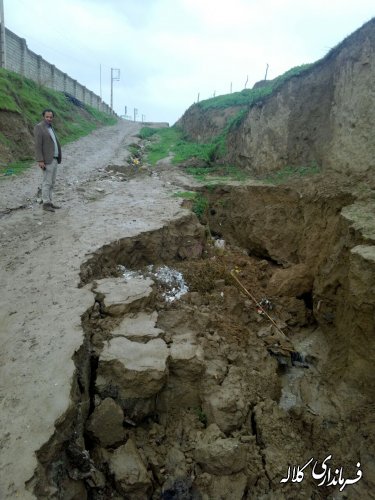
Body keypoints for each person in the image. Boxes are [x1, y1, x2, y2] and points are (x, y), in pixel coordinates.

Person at [34, 109, 62, 212]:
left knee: (52, 182)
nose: (49, 119)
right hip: (46, 160)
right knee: (47, 182)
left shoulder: (50, 127)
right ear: (43, 117)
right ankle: (46, 203)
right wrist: (40, 160)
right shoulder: (39, 127)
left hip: (54, 159)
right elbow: (38, 145)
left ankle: (50, 202)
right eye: (47, 117)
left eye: (51, 117)